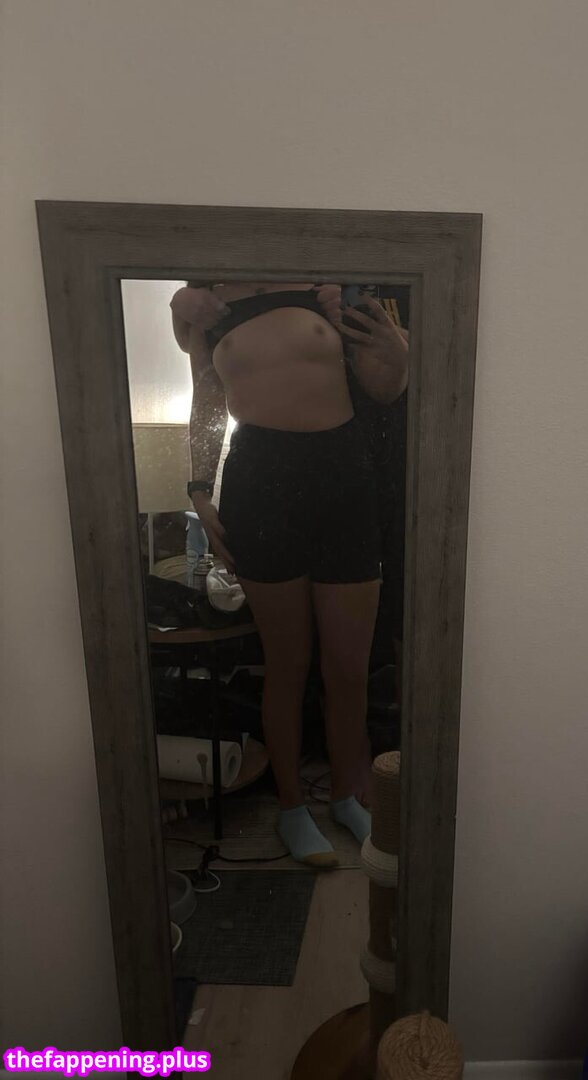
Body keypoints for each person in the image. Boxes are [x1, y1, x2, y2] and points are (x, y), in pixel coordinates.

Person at [170, 280, 408, 867]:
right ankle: (292, 806)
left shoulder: (328, 285)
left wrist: (400, 353)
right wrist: (198, 489)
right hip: (259, 483)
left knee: (348, 668)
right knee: (287, 664)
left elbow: (384, 390)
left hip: (343, 479)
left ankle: (347, 795)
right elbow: (205, 397)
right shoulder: (204, 300)